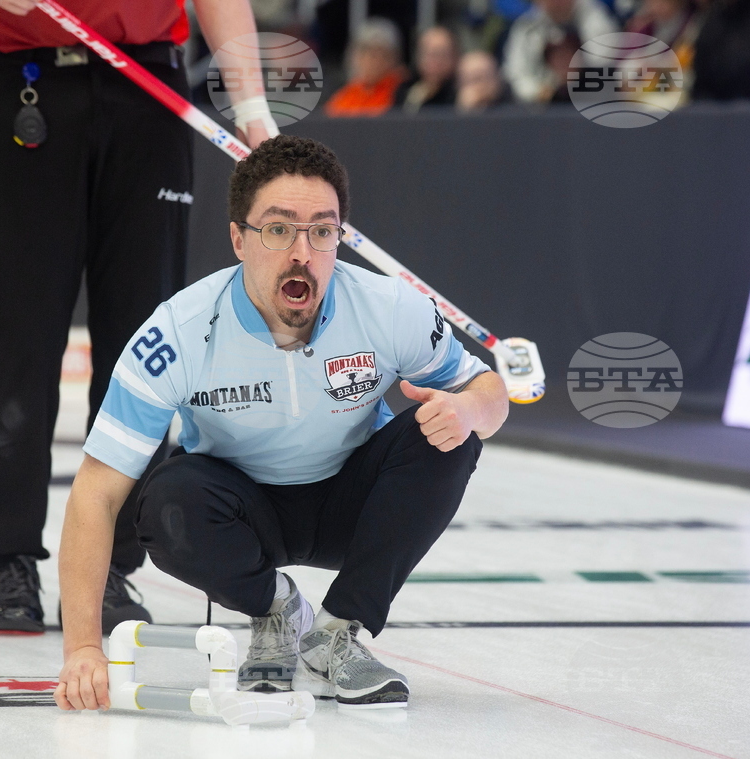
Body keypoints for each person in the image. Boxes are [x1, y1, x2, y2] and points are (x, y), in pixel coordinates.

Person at [54, 135, 509, 711]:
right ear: (239, 239)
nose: (302, 251)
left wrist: (470, 409)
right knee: (166, 498)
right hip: (241, 515)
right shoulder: (177, 332)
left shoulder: (390, 307)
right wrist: (82, 650)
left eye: (322, 230)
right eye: (278, 229)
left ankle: (339, 632)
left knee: (446, 432)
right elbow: (95, 493)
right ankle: (276, 609)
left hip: (353, 507)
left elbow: (489, 389)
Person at [0, 0, 278, 634]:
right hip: (20, 86)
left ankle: (109, 565)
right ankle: (10, 562)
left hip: (146, 90)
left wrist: (254, 116)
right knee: (16, 343)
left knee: (141, 347)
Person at [502, 0, 618, 103]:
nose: (557, 2)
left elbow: (606, 61)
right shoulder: (527, 26)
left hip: (594, 97)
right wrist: (538, 91)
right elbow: (516, 73)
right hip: (543, 106)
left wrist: (578, 79)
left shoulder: (595, 16)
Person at [324, 17, 409, 117]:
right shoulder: (345, 93)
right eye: (363, 52)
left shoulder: (402, 93)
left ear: (393, 58)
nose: (369, 61)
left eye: (378, 54)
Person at [395, 26, 459, 112]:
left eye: (443, 54)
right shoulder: (404, 90)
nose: (437, 61)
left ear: (454, 57)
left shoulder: (458, 94)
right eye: (432, 54)